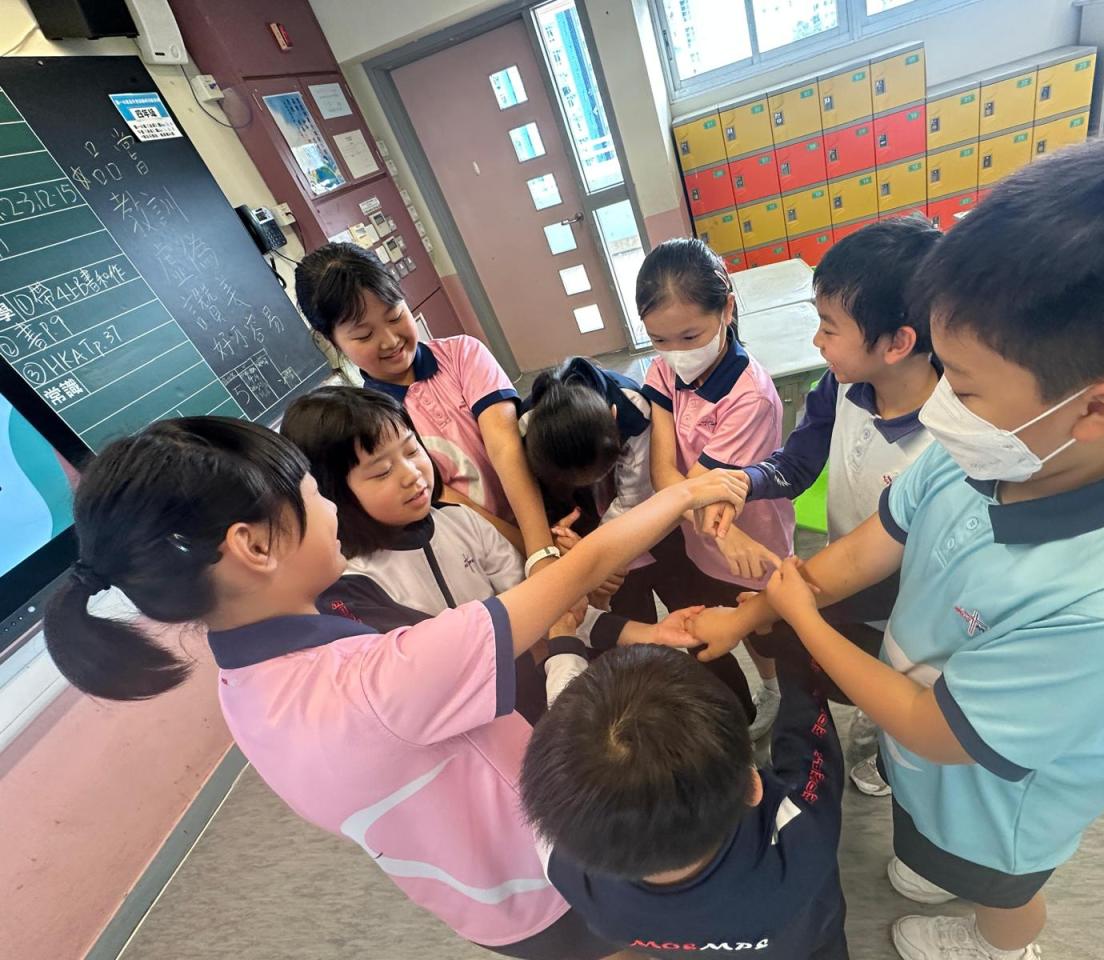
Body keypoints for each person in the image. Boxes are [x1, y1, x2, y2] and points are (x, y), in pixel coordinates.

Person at [688, 134, 1104, 960]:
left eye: (961, 386)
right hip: (931, 742)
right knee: (930, 839)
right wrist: (752, 613)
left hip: (1002, 801)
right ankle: (938, 857)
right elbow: (867, 549)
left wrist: (800, 618)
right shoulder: (990, 451)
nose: (940, 408)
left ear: (1097, 409)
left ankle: (1002, 948)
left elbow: (937, 730)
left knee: (1002, 887)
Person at [42, 415, 746, 960]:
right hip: (553, 877)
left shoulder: (246, 687)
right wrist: (686, 490)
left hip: (480, 898)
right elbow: (573, 577)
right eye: (315, 494)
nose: (330, 509)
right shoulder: (374, 685)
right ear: (254, 546)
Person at [702, 216, 942, 797]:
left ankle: (889, 747)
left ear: (897, 343)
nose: (817, 342)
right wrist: (745, 483)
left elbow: (884, 571)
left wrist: (777, 604)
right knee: (847, 664)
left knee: (899, 691)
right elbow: (798, 460)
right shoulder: (843, 385)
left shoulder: (944, 446)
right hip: (845, 573)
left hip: (907, 603)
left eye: (828, 328)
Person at [282, 385, 703, 715]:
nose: (412, 474)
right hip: (477, 733)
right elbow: (458, 672)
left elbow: (544, 607)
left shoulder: (461, 522)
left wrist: (648, 633)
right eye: (381, 471)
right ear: (334, 494)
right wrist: (562, 644)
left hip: (537, 696)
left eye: (412, 450)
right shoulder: (356, 589)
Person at [521, 645, 846, 960]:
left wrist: (564, 649)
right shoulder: (803, 837)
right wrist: (793, 643)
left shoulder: (565, 867)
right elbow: (809, 737)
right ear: (753, 786)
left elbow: (567, 768)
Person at [294, 242, 555, 570]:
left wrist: (542, 546)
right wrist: (529, 551)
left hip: (545, 518)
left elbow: (505, 447)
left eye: (395, 316)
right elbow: (447, 497)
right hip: (488, 555)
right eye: (364, 335)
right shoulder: (373, 422)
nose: (390, 341)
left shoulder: (463, 354)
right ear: (331, 341)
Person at [637, 237, 795, 735]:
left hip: (754, 541)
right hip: (708, 540)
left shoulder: (750, 398)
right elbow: (664, 474)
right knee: (731, 619)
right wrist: (720, 532)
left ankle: (781, 692)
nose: (675, 353)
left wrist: (725, 531)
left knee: (764, 627)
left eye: (690, 336)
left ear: (726, 308)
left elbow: (685, 486)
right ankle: (771, 688)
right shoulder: (663, 370)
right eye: (659, 340)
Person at [519, 356, 654, 613]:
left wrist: (592, 552)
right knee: (626, 607)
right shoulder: (525, 431)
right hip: (582, 530)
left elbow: (635, 495)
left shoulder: (632, 407)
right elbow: (535, 502)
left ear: (614, 416)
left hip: (635, 524)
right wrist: (562, 538)